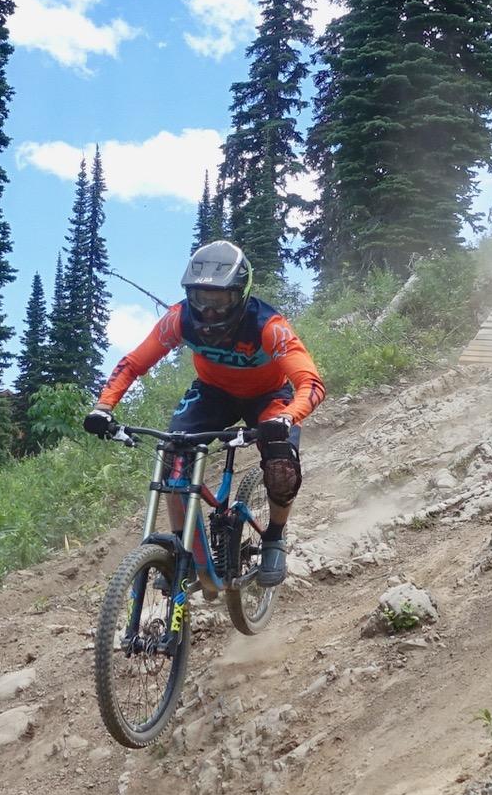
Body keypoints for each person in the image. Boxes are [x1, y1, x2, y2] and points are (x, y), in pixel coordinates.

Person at [81, 240, 325, 588]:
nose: (208, 311)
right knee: (172, 461)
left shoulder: (268, 325)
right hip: (213, 393)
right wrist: (104, 407)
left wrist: (287, 417)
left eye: (219, 300)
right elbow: (133, 363)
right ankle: (183, 552)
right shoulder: (179, 320)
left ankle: (274, 537)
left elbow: (311, 384)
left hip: (269, 396)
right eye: (200, 298)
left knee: (281, 465)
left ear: (240, 294)